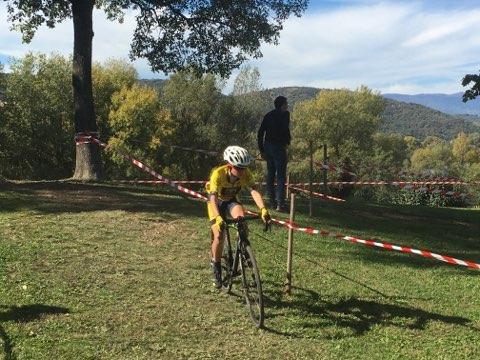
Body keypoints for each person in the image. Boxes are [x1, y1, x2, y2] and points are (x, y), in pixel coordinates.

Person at [206, 145, 271, 289]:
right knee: (219, 235)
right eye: (238, 168)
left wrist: (263, 209)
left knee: (241, 220)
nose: (242, 171)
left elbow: (254, 191)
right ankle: (216, 267)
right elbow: (212, 198)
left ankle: (243, 249)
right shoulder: (218, 174)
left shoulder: (246, 173)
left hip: (231, 200)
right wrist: (217, 217)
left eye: (244, 167)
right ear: (230, 166)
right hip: (216, 202)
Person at [257, 95, 291, 212]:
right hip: (279, 147)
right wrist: (287, 142)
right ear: (282, 105)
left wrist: (261, 149)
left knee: (271, 175)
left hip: (268, 147)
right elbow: (285, 130)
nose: (287, 106)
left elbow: (260, 132)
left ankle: (272, 203)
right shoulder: (285, 115)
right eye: (286, 104)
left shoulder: (268, 115)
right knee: (281, 176)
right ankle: (280, 204)